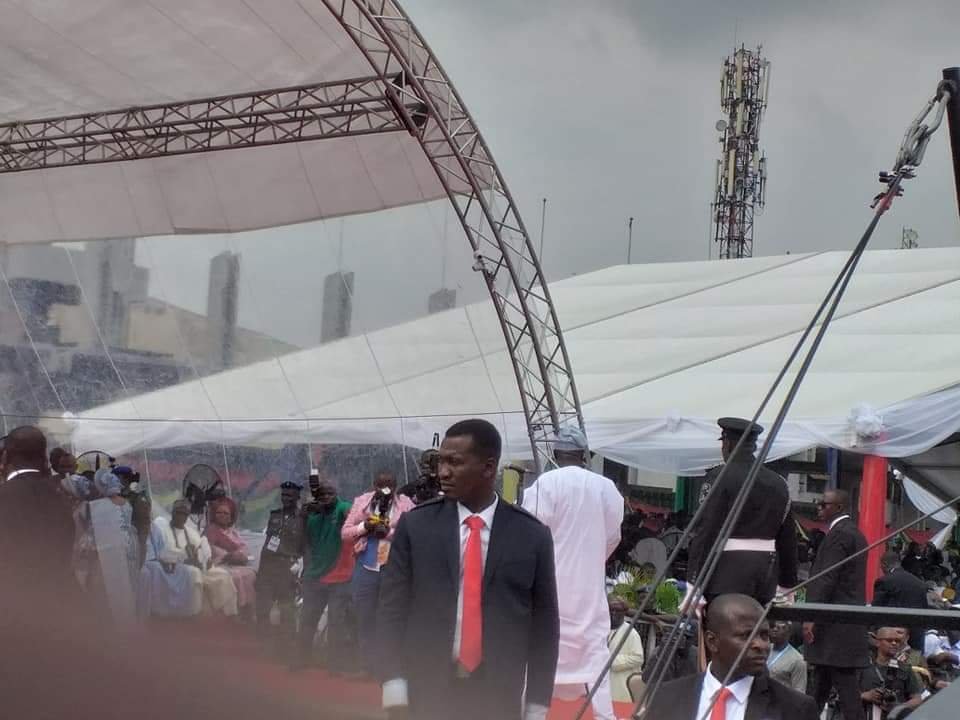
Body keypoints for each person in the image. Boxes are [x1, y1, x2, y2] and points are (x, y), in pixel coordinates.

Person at [378, 418, 559, 720]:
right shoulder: (416, 526)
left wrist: (538, 704)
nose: (442, 472)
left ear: (488, 468)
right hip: (425, 690)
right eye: (440, 462)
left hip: (497, 696)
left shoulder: (532, 536)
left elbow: (545, 627)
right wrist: (392, 681)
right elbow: (391, 608)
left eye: (454, 462)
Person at [522, 426, 623, 720]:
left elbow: (530, 534)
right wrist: (592, 560)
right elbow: (613, 535)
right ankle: (605, 716)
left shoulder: (545, 484)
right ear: (585, 456)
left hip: (548, 583)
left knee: (538, 648)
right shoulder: (605, 487)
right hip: (588, 586)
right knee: (595, 650)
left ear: (555, 454)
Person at [639, 594, 818, 720]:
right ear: (712, 641)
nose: (760, 645)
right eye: (746, 636)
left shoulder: (795, 709)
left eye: (764, 635)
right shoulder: (666, 696)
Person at [687, 418, 798, 604]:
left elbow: (706, 531)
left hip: (725, 573)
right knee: (756, 630)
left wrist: (694, 583)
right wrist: (787, 584)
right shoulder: (779, 483)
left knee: (722, 630)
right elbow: (788, 538)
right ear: (753, 446)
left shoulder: (719, 477)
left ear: (728, 443)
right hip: (765, 575)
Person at [803, 489, 870, 720]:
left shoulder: (840, 534)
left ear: (839, 508)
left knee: (846, 689)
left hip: (835, 625)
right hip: (840, 623)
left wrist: (811, 615)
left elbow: (827, 577)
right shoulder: (853, 533)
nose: (819, 508)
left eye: (824, 504)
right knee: (821, 684)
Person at [342, 470, 414, 676]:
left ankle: (389, 667)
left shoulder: (406, 504)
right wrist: (366, 526)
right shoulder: (363, 502)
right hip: (366, 567)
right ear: (374, 485)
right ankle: (367, 666)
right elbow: (345, 533)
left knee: (390, 619)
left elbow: (413, 534)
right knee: (365, 618)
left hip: (393, 570)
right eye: (381, 484)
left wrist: (388, 533)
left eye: (390, 484)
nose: (386, 488)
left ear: (396, 485)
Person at [0, 426, 76, 593]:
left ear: (5, 457)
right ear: (44, 458)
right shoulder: (63, 495)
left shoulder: (4, 496)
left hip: (14, 600)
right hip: (59, 594)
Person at [295, 476, 355, 671]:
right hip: (314, 576)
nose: (327, 497)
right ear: (316, 496)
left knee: (337, 621)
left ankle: (335, 663)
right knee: (308, 618)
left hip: (340, 577)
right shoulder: (311, 514)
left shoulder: (343, 507)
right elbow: (302, 543)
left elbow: (350, 516)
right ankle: (302, 658)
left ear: (336, 494)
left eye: (331, 493)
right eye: (323, 494)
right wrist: (303, 517)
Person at [256, 480, 305, 656]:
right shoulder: (274, 515)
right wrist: (260, 571)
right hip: (268, 566)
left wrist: (302, 574)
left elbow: (305, 547)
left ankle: (285, 648)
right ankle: (263, 646)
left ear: (298, 497)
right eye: (284, 495)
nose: (286, 498)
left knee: (286, 609)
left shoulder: (303, 518)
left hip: (287, 567)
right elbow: (267, 544)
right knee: (262, 608)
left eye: (290, 495)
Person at [139, 498, 211, 617]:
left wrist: (196, 559)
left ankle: (191, 612)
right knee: (156, 568)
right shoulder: (160, 526)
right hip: (150, 562)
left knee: (192, 572)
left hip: (168, 561)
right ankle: (158, 611)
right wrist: (167, 560)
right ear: (173, 512)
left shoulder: (154, 528)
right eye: (178, 512)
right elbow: (162, 551)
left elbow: (161, 550)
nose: (181, 516)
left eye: (184, 514)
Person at [86, 468, 141, 624]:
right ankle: (128, 622)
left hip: (109, 553)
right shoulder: (127, 503)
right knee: (128, 587)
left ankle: (112, 624)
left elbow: (91, 532)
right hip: (128, 548)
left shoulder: (97, 506)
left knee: (109, 587)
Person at [205, 496, 257, 614]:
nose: (221, 515)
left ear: (231, 517)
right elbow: (209, 551)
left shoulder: (232, 532)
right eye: (218, 512)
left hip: (235, 564)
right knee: (237, 576)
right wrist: (228, 556)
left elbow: (246, 551)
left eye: (225, 513)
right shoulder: (212, 530)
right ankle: (235, 612)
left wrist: (241, 556)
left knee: (250, 573)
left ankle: (246, 610)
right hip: (218, 565)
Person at [860, 627, 924, 720]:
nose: (894, 643)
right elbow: (842, 695)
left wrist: (898, 707)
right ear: (878, 642)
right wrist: (866, 695)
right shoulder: (863, 666)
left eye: (897, 641)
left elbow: (917, 699)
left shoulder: (905, 668)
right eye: (889, 640)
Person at [873, 551, 929, 652]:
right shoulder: (919, 583)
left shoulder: (884, 581)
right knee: (913, 663)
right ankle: (913, 665)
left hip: (893, 636)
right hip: (916, 633)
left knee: (889, 663)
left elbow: (876, 609)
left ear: (884, 564)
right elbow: (924, 608)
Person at [607, 597, 645, 704]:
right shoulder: (602, 630)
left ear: (624, 613)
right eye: (611, 610)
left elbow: (638, 658)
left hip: (621, 684)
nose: (613, 613)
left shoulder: (631, 633)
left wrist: (612, 661)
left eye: (617, 610)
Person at [767, 620, 807, 693]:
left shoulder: (797, 660)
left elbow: (799, 692)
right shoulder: (764, 649)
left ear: (789, 632)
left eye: (780, 627)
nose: (775, 629)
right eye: (773, 626)